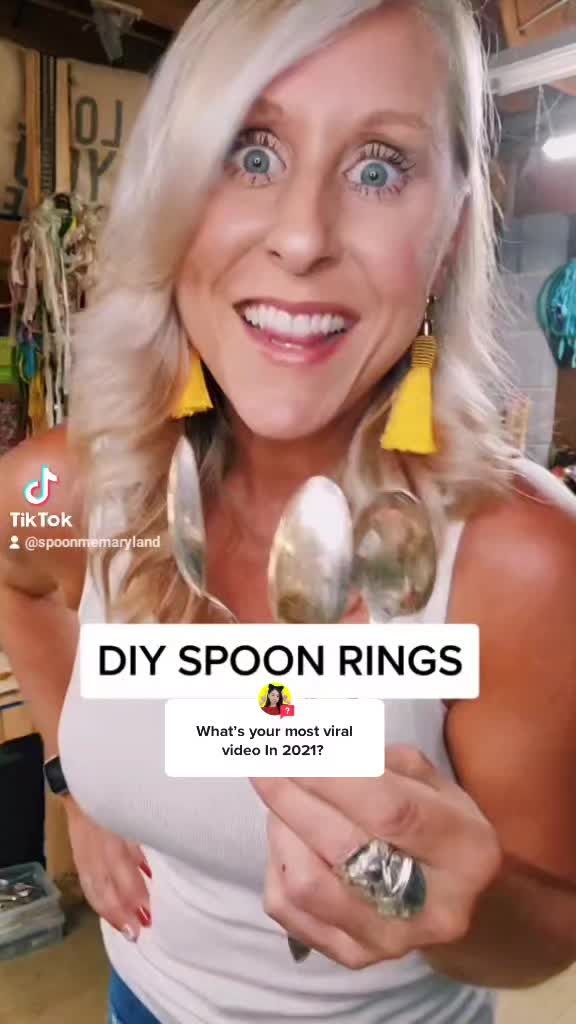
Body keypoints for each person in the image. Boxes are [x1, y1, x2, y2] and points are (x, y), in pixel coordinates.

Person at [1, 1, 576, 1022]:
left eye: (379, 168)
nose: (304, 238)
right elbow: (15, 572)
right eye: (249, 152)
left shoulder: (524, 562)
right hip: (141, 997)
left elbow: (548, 936)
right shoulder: (73, 488)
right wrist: (69, 777)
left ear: (447, 233)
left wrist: (456, 903)